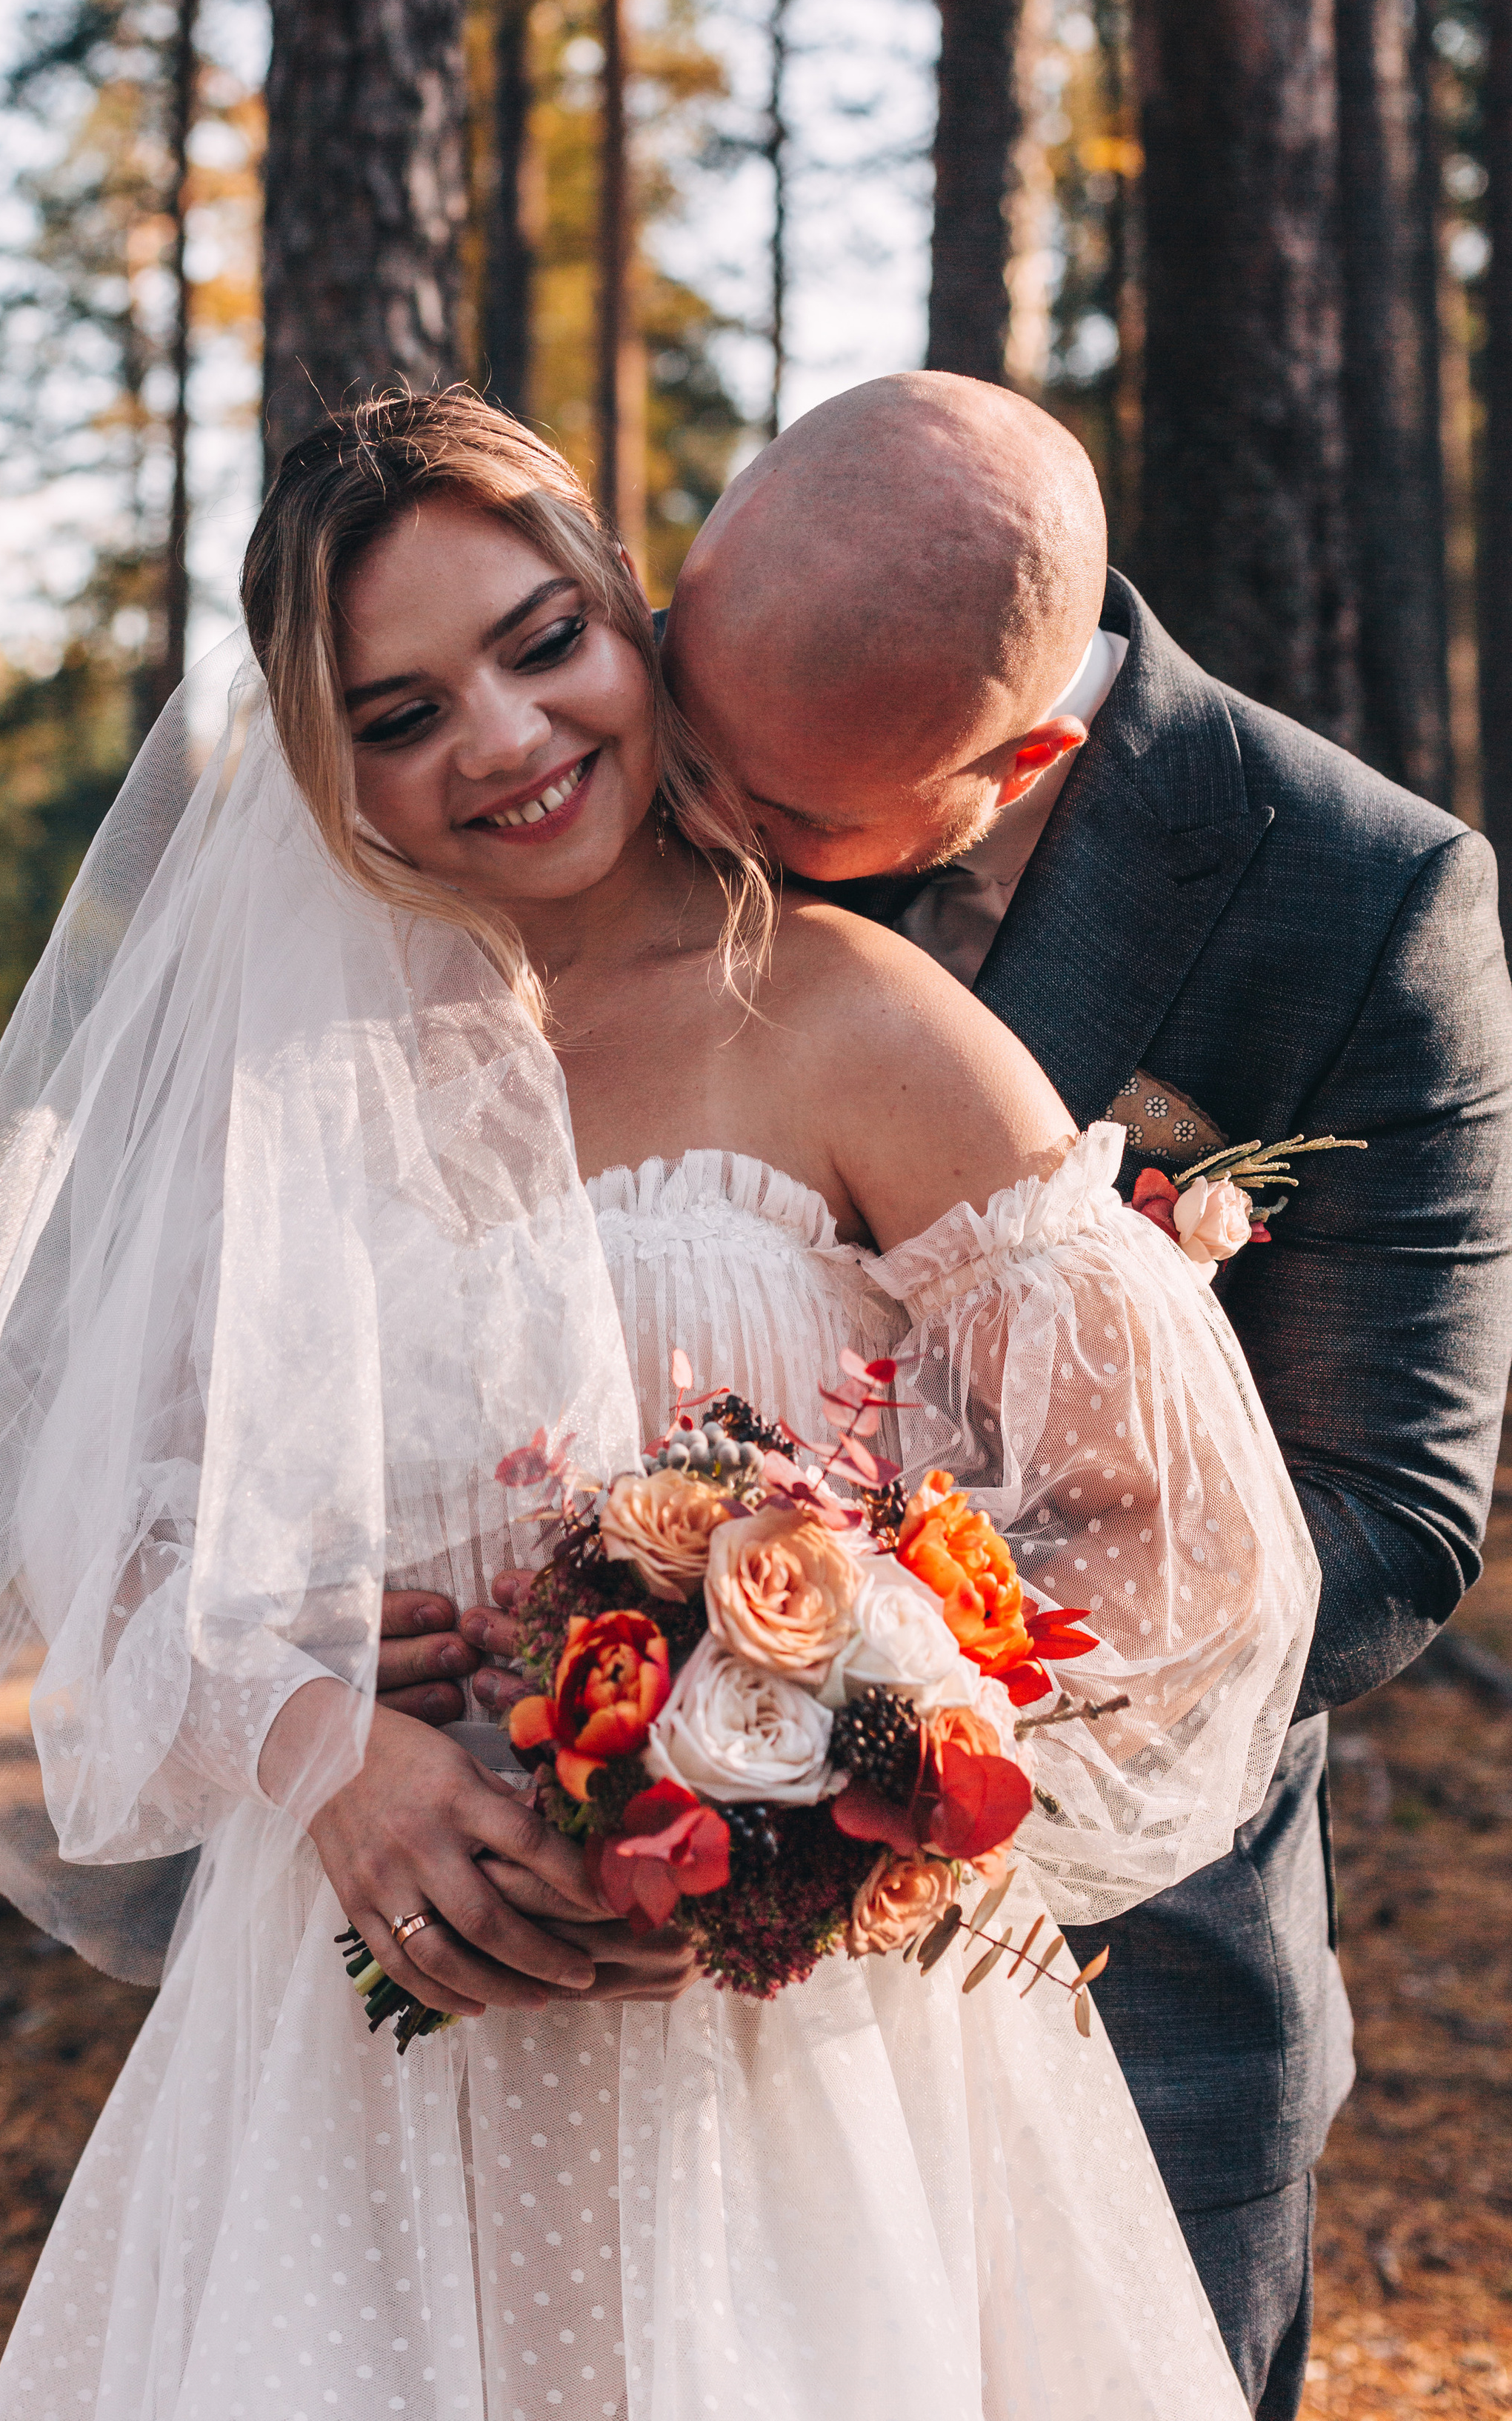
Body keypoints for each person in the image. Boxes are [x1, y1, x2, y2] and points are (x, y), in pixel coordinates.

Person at [0, 389, 1319, 2420]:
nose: (503, 742)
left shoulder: (856, 1023)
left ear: (629, 614)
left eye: (539, 644)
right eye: (400, 715)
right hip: (372, 2031)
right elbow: (117, 1516)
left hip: (788, 2054)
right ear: (326, 770)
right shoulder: (300, 1079)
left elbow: (1170, 1536)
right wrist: (326, 1748)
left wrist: (825, 1791)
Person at [384, 373, 1512, 2421]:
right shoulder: (585, 826)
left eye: (796, 817)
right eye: (689, 731)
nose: (699, 822)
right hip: (573, 1973)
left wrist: (849, 1719)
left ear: (1029, 763)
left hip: (1112, 1959)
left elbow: (1385, 1509)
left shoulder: (1360, 905)